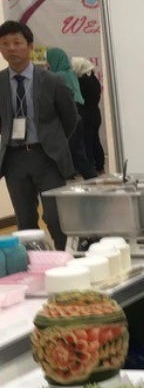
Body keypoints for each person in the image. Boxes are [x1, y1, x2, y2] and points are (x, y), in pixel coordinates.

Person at [0, 21, 78, 249]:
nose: (11, 48)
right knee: (25, 222)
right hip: (14, 159)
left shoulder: (52, 80)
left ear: (30, 46)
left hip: (47, 157)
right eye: (5, 44)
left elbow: (71, 118)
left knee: (55, 218)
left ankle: (65, 260)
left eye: (17, 42)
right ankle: (34, 264)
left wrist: (54, 142)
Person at [46, 48, 97, 180]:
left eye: (49, 60)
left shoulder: (58, 77)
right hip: (78, 113)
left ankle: (75, 176)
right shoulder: (71, 73)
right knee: (79, 151)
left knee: (71, 150)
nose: (47, 63)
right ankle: (91, 177)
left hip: (68, 115)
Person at [71, 56, 105, 175]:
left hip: (86, 115)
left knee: (87, 142)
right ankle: (99, 165)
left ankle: (89, 167)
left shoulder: (82, 81)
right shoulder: (93, 79)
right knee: (95, 140)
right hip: (95, 113)